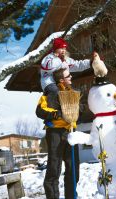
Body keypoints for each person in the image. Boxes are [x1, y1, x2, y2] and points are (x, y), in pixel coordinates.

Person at [36, 68, 79, 199]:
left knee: (73, 169)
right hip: (55, 132)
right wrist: (56, 113)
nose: (71, 77)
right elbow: (40, 110)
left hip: (71, 131)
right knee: (54, 168)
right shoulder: (50, 92)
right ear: (61, 80)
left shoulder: (72, 93)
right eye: (68, 76)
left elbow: (79, 109)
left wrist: (78, 110)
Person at [41, 37, 92, 109]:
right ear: (55, 49)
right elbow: (49, 67)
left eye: (64, 49)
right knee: (55, 92)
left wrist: (90, 62)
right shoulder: (49, 58)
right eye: (61, 48)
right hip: (50, 83)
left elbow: (77, 65)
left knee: (75, 93)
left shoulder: (65, 59)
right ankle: (54, 111)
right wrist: (59, 59)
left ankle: (76, 110)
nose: (63, 50)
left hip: (63, 82)